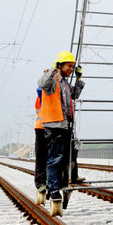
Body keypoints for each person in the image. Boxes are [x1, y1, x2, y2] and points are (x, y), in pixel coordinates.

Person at [38, 51, 85, 204]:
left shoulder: (64, 82)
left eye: (73, 67)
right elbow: (42, 84)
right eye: (69, 66)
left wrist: (79, 79)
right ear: (60, 65)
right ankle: (53, 190)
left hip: (65, 125)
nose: (71, 69)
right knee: (54, 159)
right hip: (54, 124)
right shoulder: (53, 80)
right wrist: (52, 70)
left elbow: (75, 95)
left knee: (63, 158)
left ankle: (58, 186)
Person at [34, 87, 47, 196]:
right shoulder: (42, 93)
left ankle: (48, 182)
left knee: (51, 158)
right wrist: (50, 74)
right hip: (41, 128)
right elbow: (40, 89)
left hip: (53, 127)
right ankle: (40, 183)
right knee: (41, 157)